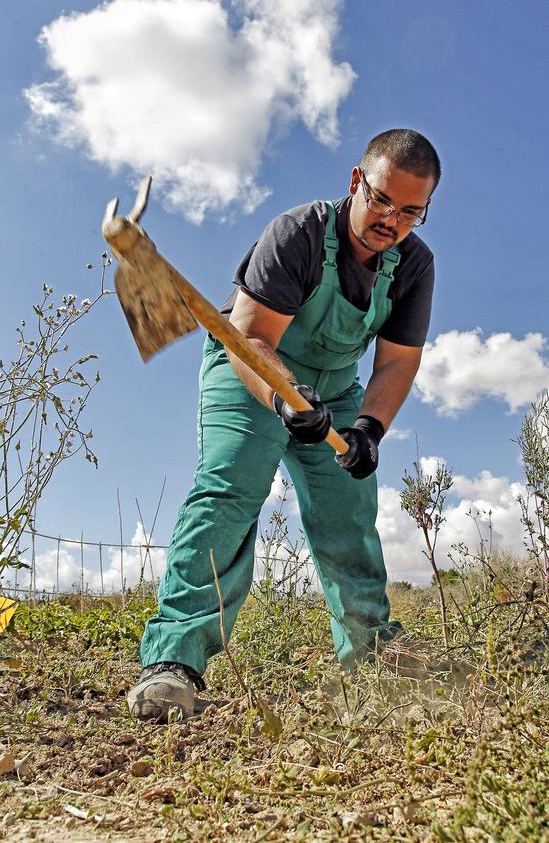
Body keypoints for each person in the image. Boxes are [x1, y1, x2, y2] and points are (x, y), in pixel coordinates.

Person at [127, 128, 440, 721]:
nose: (391, 220)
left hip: (337, 386)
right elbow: (252, 338)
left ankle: (371, 650)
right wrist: (285, 400)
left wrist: (369, 427)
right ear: (356, 182)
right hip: (249, 363)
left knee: (349, 501)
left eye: (410, 212)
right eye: (380, 200)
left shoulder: (413, 266)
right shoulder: (298, 233)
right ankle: (174, 661)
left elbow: (397, 361)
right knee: (230, 487)